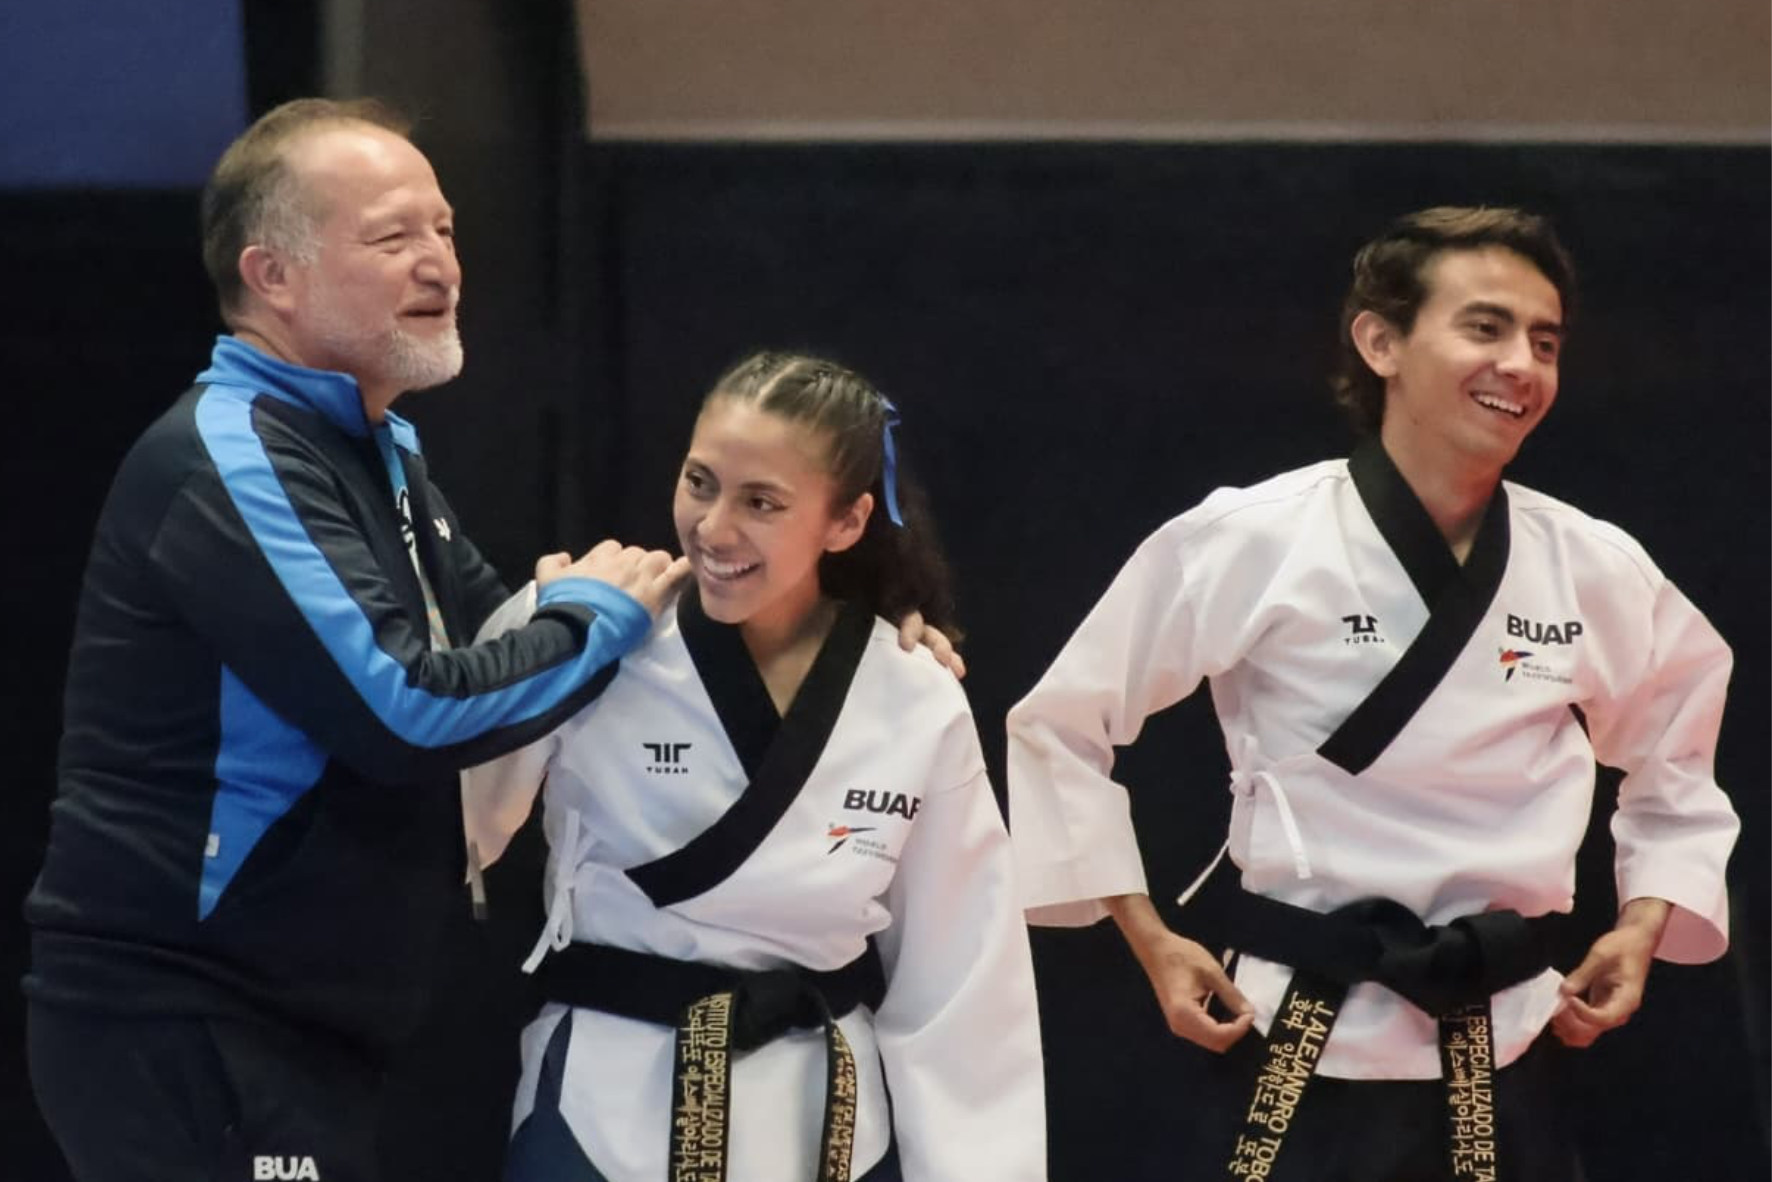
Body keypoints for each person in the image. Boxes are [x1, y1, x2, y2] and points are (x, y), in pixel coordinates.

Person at [20, 97, 696, 1182]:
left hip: (301, 1027)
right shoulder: (232, 455)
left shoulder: (374, 447)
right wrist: (599, 619)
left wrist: (859, 640)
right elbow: (413, 708)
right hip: (188, 1022)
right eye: (392, 237)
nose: (440, 264)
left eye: (445, 229)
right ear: (273, 276)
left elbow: (500, 643)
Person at [1005, 207, 1738, 1180]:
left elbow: (1676, 761)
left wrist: (1642, 923)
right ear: (1380, 342)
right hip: (1295, 1021)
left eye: (1544, 342)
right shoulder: (1256, 538)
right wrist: (1150, 939)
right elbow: (1058, 725)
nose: (1520, 364)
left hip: (1509, 1028)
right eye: (1485, 328)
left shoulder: (1593, 566)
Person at [464, 352, 1046, 1182]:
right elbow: (460, 830)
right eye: (699, 483)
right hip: (601, 1101)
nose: (713, 527)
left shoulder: (912, 693)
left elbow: (964, 984)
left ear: (846, 522)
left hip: (824, 1120)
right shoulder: (593, 631)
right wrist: (544, 640)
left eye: (761, 502)